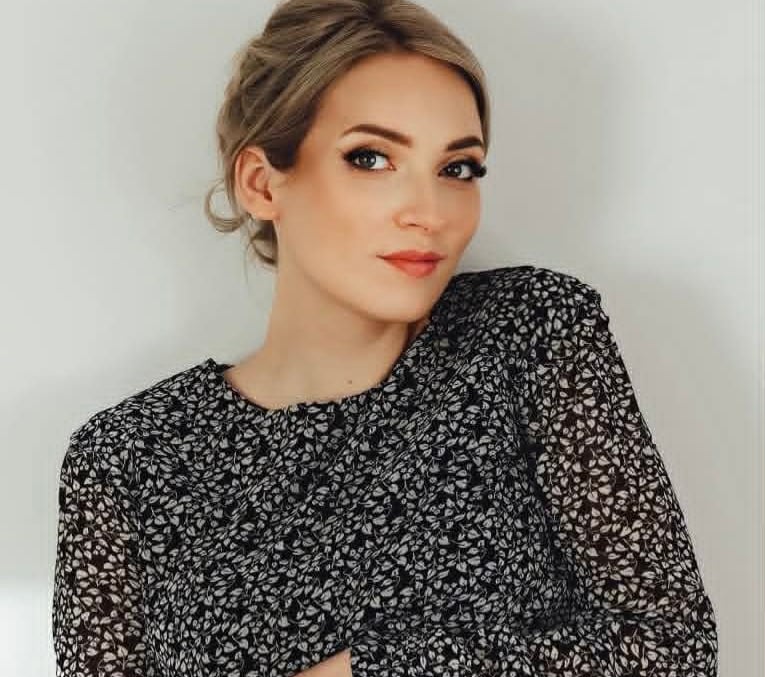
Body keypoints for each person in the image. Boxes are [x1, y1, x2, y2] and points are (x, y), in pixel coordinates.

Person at [51, 0, 719, 675]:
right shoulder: (125, 458)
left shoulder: (527, 332)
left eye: (457, 168)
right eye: (370, 158)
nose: (428, 212)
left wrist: (367, 670)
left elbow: (673, 648)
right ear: (261, 184)